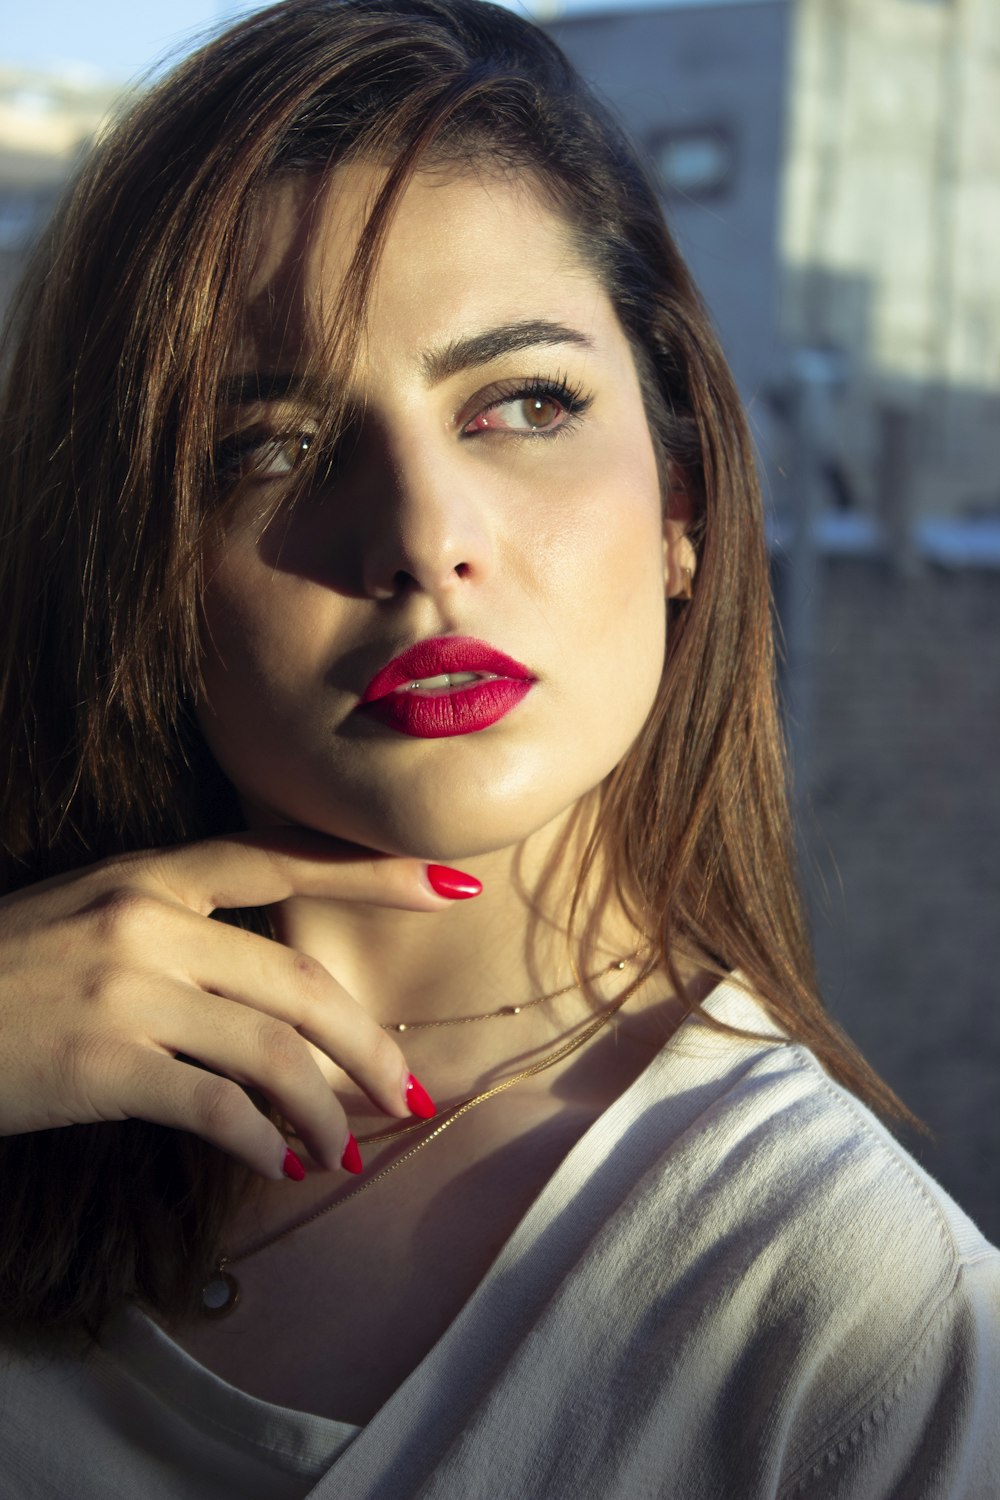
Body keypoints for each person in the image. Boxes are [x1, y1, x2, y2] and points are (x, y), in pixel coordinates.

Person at [0, 1, 996, 1495]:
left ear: (682, 504)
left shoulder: (861, 1332)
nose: (422, 537)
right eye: (264, 444)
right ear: (136, 558)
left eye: (524, 404)